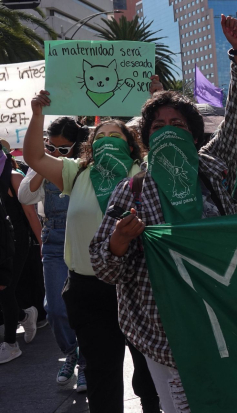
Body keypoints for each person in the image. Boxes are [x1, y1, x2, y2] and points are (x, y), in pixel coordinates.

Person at [89, 15, 237, 413]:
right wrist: (120, 240)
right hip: (163, 333)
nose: (167, 129)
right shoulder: (131, 189)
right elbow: (103, 266)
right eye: (158, 125)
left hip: (221, 317)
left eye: (176, 124)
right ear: (145, 138)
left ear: (194, 135)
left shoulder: (212, 168)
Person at [23, 103, 160, 411]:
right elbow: (33, 157)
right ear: (90, 145)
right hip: (89, 289)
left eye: (115, 134)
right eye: (100, 135)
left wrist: (156, 99)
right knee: (101, 372)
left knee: (150, 371)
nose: (107, 138)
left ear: (129, 143)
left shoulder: (145, 172)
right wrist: (37, 115)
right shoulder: (76, 172)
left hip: (139, 288)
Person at [17, 117, 89, 386]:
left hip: (84, 237)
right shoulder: (43, 165)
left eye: (64, 149)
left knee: (85, 304)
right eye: (52, 147)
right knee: (57, 308)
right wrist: (40, 161)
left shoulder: (85, 165)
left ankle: (85, 362)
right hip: (55, 239)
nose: (57, 153)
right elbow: (25, 197)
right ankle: (71, 353)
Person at [0, 148, 41, 364]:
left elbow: (30, 213)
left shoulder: (15, 177)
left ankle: (11, 345)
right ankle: (25, 316)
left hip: (16, 243)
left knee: (5, 289)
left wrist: (43, 243)